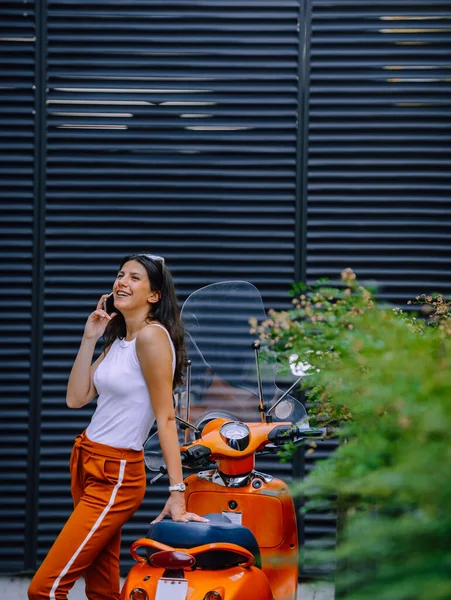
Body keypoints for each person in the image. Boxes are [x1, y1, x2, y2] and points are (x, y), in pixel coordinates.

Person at [28, 253, 207, 600]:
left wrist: (177, 492)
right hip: (87, 460)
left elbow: (166, 417)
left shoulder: (151, 339)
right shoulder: (120, 340)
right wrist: (89, 337)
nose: (122, 282)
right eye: (121, 274)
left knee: (45, 589)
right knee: (102, 587)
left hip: (116, 472)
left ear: (154, 295)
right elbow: (76, 398)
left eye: (135, 278)